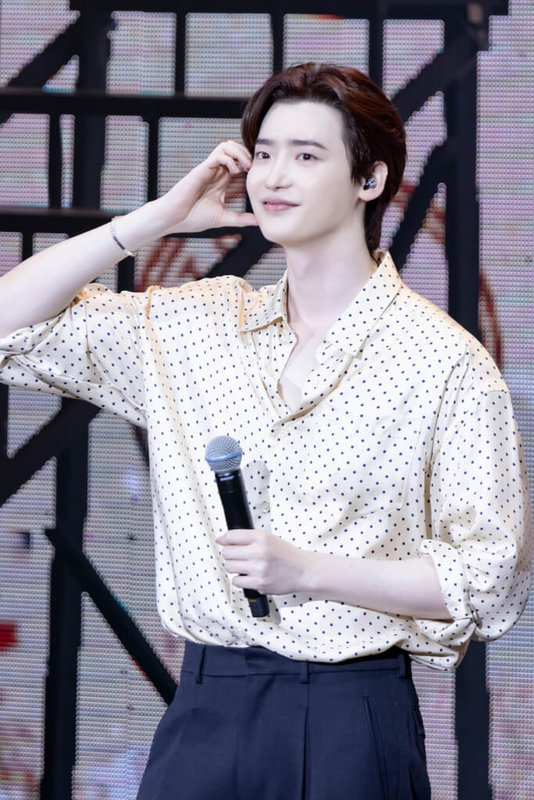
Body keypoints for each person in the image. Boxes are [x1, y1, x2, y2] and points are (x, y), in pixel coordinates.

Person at [0, 63, 531, 799]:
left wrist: (308, 571)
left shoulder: (445, 363)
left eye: (306, 155)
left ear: (370, 180)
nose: (274, 176)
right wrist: (151, 222)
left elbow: (489, 579)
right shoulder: (197, 323)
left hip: (353, 713)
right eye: (265, 153)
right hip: (208, 704)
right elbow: (8, 328)